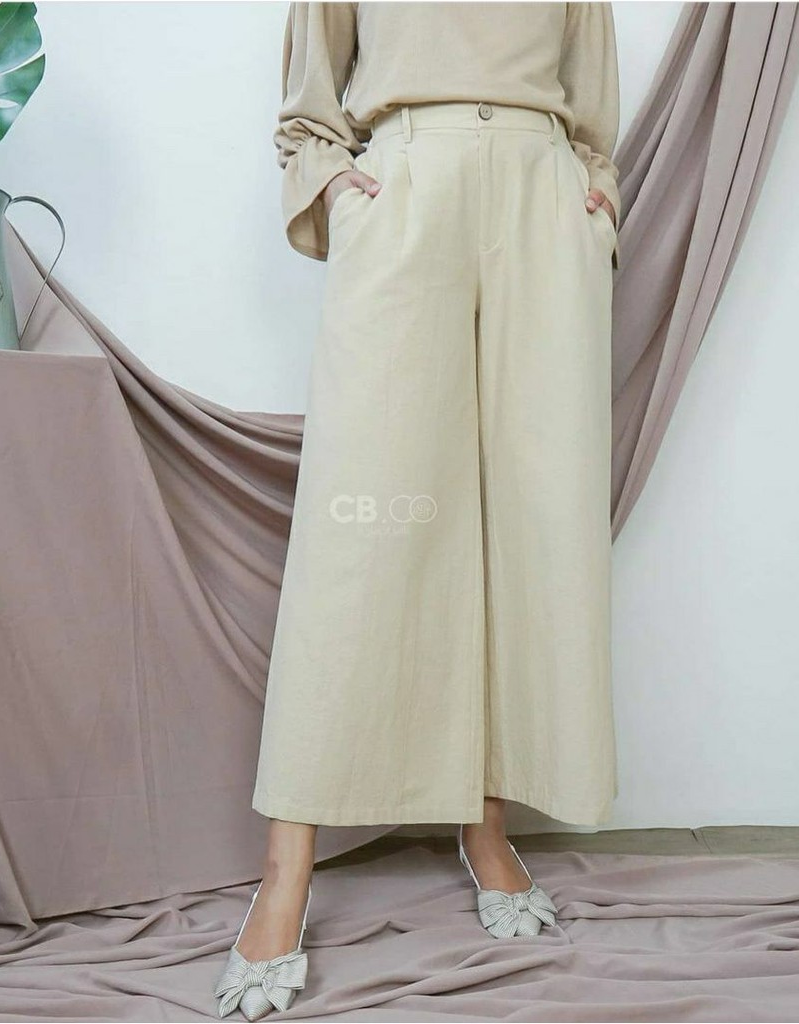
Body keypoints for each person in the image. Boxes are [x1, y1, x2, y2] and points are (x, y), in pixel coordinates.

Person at [215, 3, 621, 1018]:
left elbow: (592, 113)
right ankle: (285, 866)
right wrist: (336, 188)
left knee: (525, 527)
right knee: (360, 540)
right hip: (406, 188)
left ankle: (484, 823)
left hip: (541, 203)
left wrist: (595, 198)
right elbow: (308, 108)